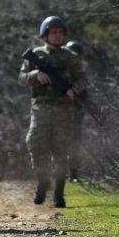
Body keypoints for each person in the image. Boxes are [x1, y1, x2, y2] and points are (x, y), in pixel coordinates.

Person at [18, 16, 88, 208]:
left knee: (61, 151)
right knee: (34, 144)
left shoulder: (71, 57)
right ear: (46, 34)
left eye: (60, 32)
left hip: (63, 109)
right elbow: (21, 78)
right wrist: (36, 75)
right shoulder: (36, 54)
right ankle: (42, 180)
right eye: (53, 32)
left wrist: (74, 89)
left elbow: (83, 78)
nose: (57, 36)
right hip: (41, 107)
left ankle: (59, 193)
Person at [64, 40, 86, 182]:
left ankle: (73, 173)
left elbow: (84, 91)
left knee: (74, 143)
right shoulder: (62, 72)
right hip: (59, 112)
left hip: (75, 112)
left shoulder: (80, 74)